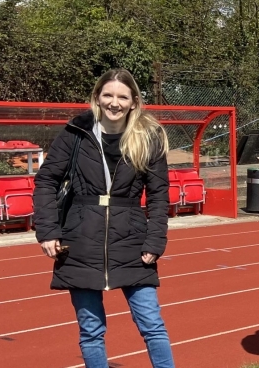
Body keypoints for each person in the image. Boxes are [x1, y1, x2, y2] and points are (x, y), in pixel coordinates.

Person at [33, 69, 174, 368]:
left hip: (132, 241)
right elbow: (46, 181)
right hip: (80, 240)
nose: (114, 102)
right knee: (91, 331)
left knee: (152, 325)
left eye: (122, 97)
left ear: (134, 101)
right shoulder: (75, 133)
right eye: (108, 95)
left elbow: (159, 194)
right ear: (97, 97)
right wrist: (47, 230)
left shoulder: (149, 138)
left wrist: (156, 238)